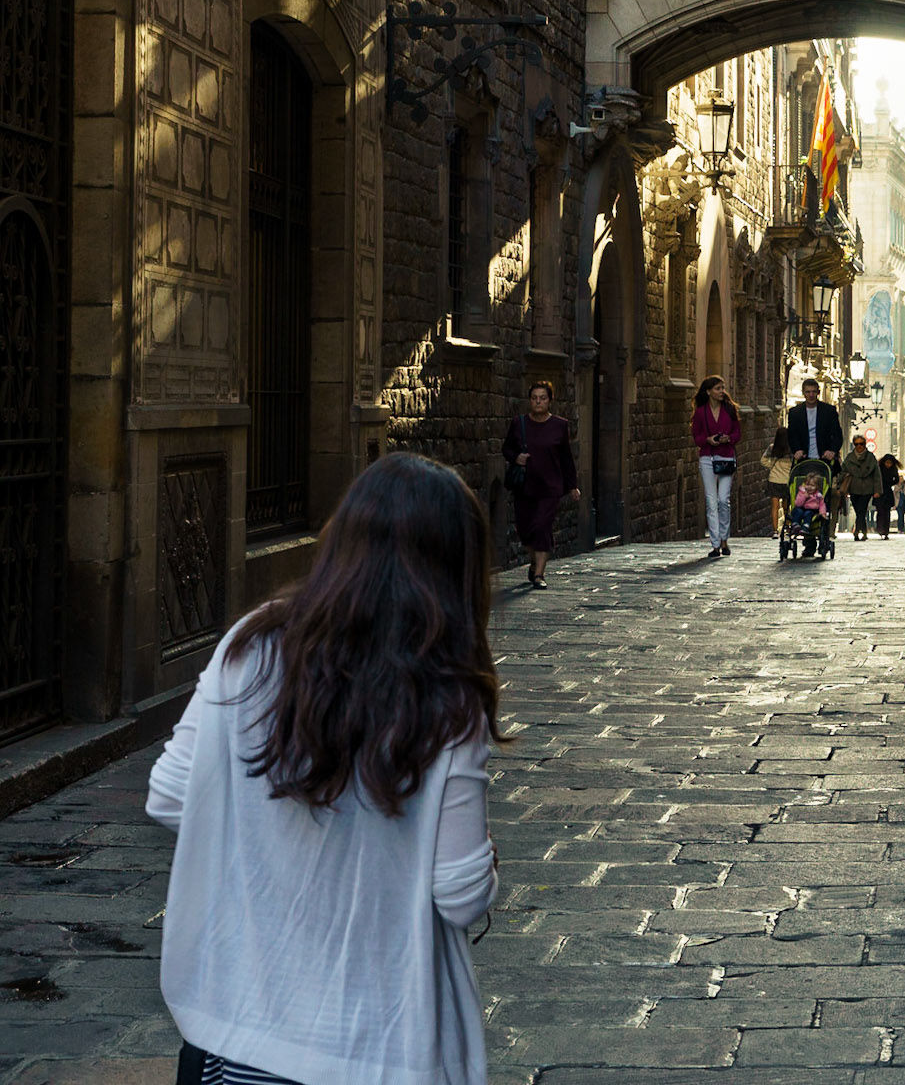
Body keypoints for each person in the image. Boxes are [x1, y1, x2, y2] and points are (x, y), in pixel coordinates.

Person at [147, 452, 500, 1085]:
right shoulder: (450, 699)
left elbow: (170, 796)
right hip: (378, 1044)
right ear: (456, 571)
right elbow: (461, 895)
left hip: (237, 1033)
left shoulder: (248, 647)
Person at [502, 380, 580, 589]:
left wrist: (572, 485)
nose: (538, 402)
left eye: (542, 398)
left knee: (542, 526)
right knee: (526, 530)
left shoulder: (560, 425)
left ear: (550, 401)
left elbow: (566, 458)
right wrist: (516, 457)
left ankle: (539, 574)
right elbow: (507, 448)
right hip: (525, 486)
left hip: (550, 486)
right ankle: (534, 559)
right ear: (530, 400)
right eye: (535, 398)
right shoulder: (519, 423)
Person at [692, 375, 742, 560]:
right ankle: (715, 544)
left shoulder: (730, 410)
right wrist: (707, 440)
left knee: (723, 500)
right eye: (718, 388)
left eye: (722, 388)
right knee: (711, 501)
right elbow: (696, 436)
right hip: (707, 458)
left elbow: (737, 432)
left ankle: (724, 539)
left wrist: (729, 438)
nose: (722, 391)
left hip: (726, 457)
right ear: (708, 391)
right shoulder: (700, 412)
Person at [787, 377, 844, 468]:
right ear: (803, 393)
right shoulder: (795, 412)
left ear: (818, 392)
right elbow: (792, 434)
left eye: (814, 391)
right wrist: (796, 450)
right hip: (803, 459)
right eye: (808, 392)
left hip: (825, 458)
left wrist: (832, 451)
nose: (811, 395)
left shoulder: (829, 411)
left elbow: (837, 433)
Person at [837, 434, 881, 540]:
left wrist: (878, 490)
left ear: (865, 445)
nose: (859, 446)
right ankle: (864, 531)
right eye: (857, 444)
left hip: (867, 488)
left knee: (862, 509)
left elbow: (877, 474)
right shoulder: (849, 458)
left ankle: (857, 531)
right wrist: (840, 486)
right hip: (854, 488)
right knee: (859, 511)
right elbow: (842, 472)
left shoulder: (871, 457)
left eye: (861, 444)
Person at [764, 425, 793, 536]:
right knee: (787, 505)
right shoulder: (792, 450)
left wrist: (772, 466)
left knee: (774, 506)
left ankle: (775, 530)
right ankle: (788, 526)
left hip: (774, 479)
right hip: (787, 480)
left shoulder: (772, 448)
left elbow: (763, 461)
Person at [875, 451, 901, 538]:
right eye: (887, 463)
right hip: (879, 492)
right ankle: (880, 528)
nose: (888, 464)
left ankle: (886, 531)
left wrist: (890, 483)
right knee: (880, 512)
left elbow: (896, 480)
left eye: (890, 463)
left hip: (888, 493)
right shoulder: (879, 468)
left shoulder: (894, 469)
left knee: (887, 513)